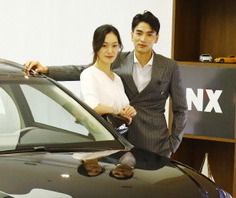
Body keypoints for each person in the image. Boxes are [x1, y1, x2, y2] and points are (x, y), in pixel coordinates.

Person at [25, 11, 187, 158]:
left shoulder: (169, 67)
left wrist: (173, 143)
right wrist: (47, 70)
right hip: (120, 140)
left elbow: (180, 109)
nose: (143, 39)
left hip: (156, 143)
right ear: (131, 35)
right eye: (139, 33)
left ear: (156, 38)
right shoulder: (117, 58)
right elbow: (83, 70)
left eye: (149, 34)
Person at [79, 24, 136, 125]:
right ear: (95, 45)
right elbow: (93, 107)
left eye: (114, 46)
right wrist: (117, 110)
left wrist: (130, 111)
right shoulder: (89, 74)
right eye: (104, 45)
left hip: (118, 133)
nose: (110, 51)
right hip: (98, 133)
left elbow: (123, 111)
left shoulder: (117, 78)